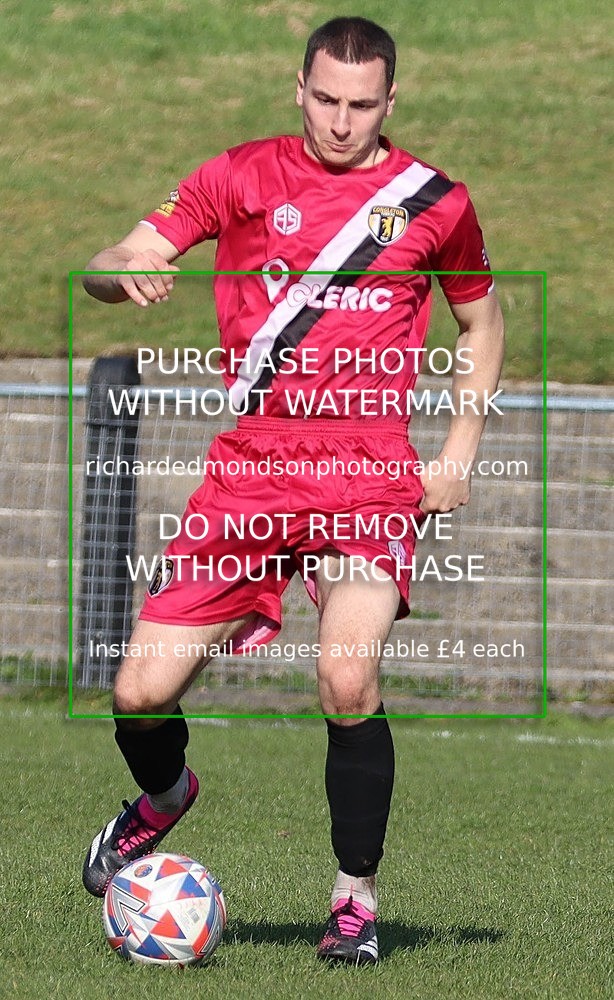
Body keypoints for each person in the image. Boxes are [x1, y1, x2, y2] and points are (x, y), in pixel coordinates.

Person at [81, 16, 504, 965]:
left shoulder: (434, 202)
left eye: (362, 104)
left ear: (391, 101)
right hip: (252, 472)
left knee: (347, 675)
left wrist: (458, 452)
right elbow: (111, 262)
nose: (341, 122)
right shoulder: (238, 175)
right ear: (297, 88)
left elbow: (483, 322)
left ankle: (354, 901)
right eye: (325, 99)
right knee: (138, 693)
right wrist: (124, 272)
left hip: (368, 475)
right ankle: (164, 797)